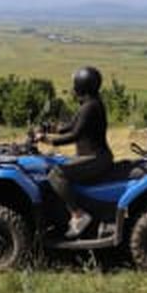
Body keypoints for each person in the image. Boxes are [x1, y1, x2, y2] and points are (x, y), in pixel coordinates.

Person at [36, 66, 113, 239]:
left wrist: (47, 140)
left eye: (75, 84)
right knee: (55, 166)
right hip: (93, 157)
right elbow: (72, 126)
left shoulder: (90, 107)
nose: (73, 88)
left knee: (56, 175)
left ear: (81, 85)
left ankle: (78, 215)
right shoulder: (90, 103)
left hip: (95, 158)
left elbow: (75, 134)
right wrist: (49, 128)